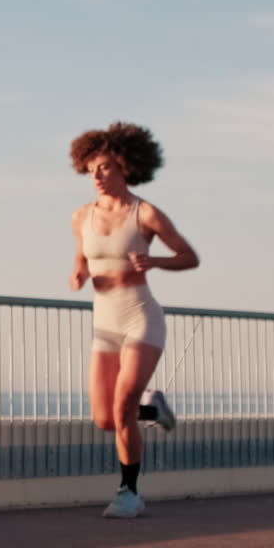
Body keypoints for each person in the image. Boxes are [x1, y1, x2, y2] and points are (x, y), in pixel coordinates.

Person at [69, 121, 200, 518]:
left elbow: (188, 255)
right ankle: (153, 409)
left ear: (126, 166)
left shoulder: (146, 214)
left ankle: (129, 492)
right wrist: (79, 271)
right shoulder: (80, 217)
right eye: (91, 167)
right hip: (104, 324)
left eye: (105, 167)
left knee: (123, 403)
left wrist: (155, 260)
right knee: (105, 418)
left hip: (141, 317)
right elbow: (83, 253)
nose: (97, 175)